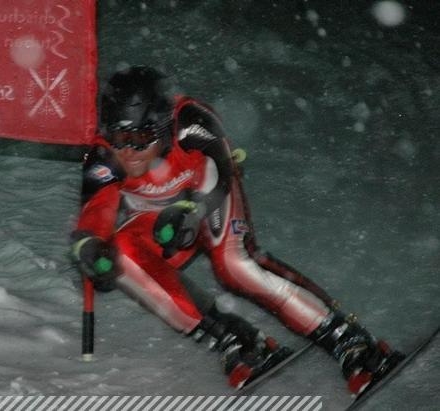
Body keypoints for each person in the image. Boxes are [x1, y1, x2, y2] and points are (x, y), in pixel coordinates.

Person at [71, 65, 403, 392]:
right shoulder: (104, 156)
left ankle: (349, 340)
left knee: (234, 265)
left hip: (210, 194)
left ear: (162, 126)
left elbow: (222, 170)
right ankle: (236, 339)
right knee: (120, 254)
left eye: (140, 138)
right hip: (161, 222)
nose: (128, 151)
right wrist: (90, 248)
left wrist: (195, 211)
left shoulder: (191, 122)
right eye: (119, 137)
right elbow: (95, 214)